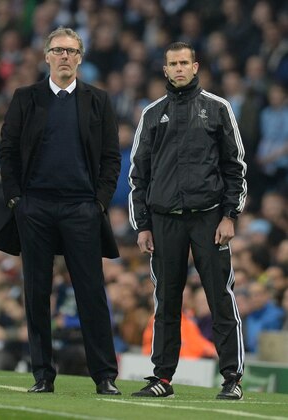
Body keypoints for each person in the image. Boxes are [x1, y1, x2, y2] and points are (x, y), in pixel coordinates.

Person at [0, 27, 122, 395]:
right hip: (35, 207)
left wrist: (98, 202)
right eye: (58, 50)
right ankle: (42, 375)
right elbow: (8, 150)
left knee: (91, 293)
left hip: (82, 207)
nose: (65, 56)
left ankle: (104, 376)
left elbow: (112, 158)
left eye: (71, 50)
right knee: (36, 293)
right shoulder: (25, 98)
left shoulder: (99, 100)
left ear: (80, 58)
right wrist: (16, 200)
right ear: (46, 56)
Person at [128, 41, 247, 400]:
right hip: (164, 221)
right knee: (166, 301)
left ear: (195, 67)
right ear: (164, 70)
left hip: (210, 218)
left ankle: (232, 379)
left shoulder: (218, 108)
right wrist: (143, 225)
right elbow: (138, 174)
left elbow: (235, 167)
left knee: (219, 297)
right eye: (172, 64)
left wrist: (230, 215)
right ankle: (162, 379)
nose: (179, 68)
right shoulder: (151, 113)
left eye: (184, 62)